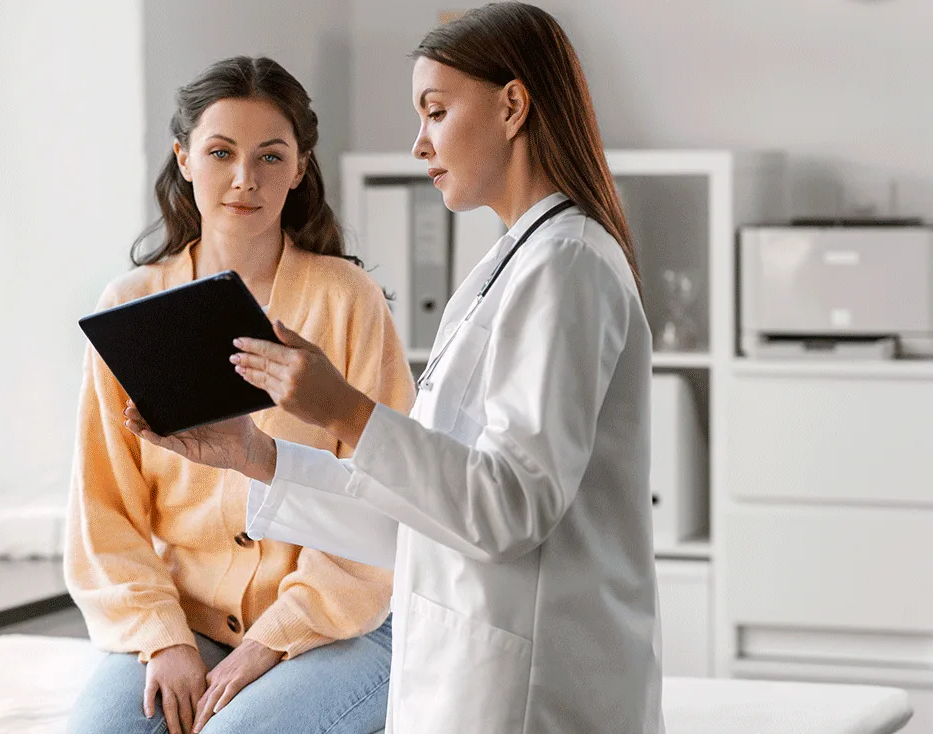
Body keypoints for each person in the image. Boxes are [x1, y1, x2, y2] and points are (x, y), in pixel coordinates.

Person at [124, 3, 663, 732]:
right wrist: (258, 456)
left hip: (533, 690)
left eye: (436, 112)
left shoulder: (568, 265)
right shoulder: (509, 268)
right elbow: (422, 516)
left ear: (512, 106)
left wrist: (342, 410)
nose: (419, 143)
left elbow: (510, 510)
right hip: (468, 669)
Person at [66, 56, 415, 734]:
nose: (244, 179)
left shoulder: (348, 301)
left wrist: (268, 642)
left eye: (270, 157)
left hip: (343, 619)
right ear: (184, 158)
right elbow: (102, 509)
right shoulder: (131, 306)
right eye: (221, 152)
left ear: (301, 166)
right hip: (184, 618)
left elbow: (387, 493)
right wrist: (163, 637)